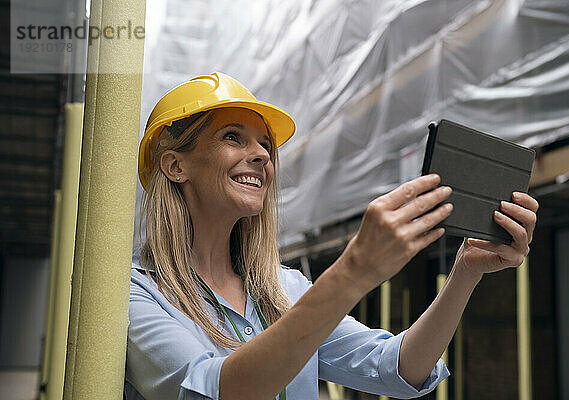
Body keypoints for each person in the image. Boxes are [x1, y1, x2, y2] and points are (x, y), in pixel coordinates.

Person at [124, 72, 539, 400]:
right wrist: (352, 271)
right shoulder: (134, 293)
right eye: (232, 136)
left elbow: (396, 367)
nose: (262, 155)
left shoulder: (284, 289)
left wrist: (464, 272)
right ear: (176, 166)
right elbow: (217, 390)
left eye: (265, 144)